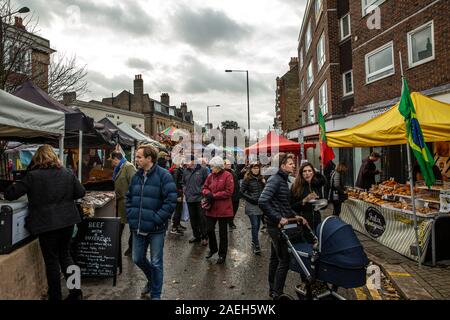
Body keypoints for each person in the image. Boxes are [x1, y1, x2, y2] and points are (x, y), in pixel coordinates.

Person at [4, 145, 85, 300]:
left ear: (37, 159)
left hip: (46, 225)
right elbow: (81, 192)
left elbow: (11, 194)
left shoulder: (33, 176)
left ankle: (55, 297)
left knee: (52, 261)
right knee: (66, 256)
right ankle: (76, 292)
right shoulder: (67, 173)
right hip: (67, 222)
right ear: (54, 156)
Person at [126, 144, 177, 300]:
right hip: (138, 227)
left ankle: (156, 295)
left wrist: (156, 219)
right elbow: (129, 197)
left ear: (149, 158)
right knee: (137, 258)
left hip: (156, 228)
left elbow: (171, 201)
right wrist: (131, 214)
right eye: (136, 157)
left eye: (139, 157)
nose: (136, 159)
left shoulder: (164, 175)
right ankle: (151, 279)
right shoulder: (137, 176)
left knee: (156, 262)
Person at [258, 153, 305, 299]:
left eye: (293, 163)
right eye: (290, 163)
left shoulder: (282, 180)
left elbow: (283, 204)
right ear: (283, 166)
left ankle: (273, 290)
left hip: (277, 224)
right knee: (284, 260)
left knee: (275, 258)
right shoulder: (276, 180)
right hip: (276, 226)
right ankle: (277, 293)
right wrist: (279, 218)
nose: (293, 165)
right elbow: (262, 201)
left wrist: (294, 215)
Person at [202, 156, 234, 264]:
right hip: (211, 208)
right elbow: (204, 188)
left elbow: (229, 191)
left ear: (218, 167)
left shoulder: (228, 175)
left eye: (212, 167)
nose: (211, 169)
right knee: (209, 229)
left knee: (223, 233)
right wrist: (207, 193)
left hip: (223, 209)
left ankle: (222, 254)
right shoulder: (210, 176)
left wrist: (214, 195)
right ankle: (213, 248)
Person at [111, 151, 137, 256]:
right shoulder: (119, 167)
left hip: (128, 202)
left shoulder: (128, 166)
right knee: (120, 225)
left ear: (115, 159)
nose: (112, 163)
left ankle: (132, 248)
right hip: (120, 202)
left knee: (132, 226)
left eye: (112, 160)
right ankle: (115, 249)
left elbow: (135, 184)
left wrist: (129, 198)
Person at [290, 162, 327, 232]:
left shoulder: (316, 186)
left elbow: (322, 206)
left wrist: (323, 203)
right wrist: (304, 200)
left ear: (313, 173)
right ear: (301, 174)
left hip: (316, 221)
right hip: (303, 222)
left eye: (310, 171)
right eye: (304, 171)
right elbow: (291, 206)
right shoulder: (296, 187)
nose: (307, 173)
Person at [183, 155, 210, 246]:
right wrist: (185, 190)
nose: (186, 164)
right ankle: (196, 236)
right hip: (189, 198)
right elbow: (183, 183)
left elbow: (208, 182)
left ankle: (204, 237)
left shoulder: (203, 170)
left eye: (188, 161)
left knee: (202, 218)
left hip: (200, 198)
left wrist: (201, 190)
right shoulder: (185, 171)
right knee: (193, 218)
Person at [240, 162, 265, 255]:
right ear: (251, 169)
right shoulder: (247, 179)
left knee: (258, 225)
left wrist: (264, 183)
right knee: (254, 225)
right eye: (254, 168)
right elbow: (241, 192)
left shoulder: (261, 179)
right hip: (251, 205)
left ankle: (254, 240)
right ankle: (256, 244)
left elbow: (266, 191)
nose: (256, 170)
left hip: (260, 205)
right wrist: (251, 198)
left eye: (257, 168)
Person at [169, 156, 187, 235]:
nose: (183, 162)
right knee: (177, 210)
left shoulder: (179, 169)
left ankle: (177, 224)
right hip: (177, 193)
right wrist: (177, 195)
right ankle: (174, 227)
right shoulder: (176, 170)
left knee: (179, 210)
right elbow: (175, 184)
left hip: (179, 192)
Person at [224, 159, 240, 230]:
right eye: (227, 164)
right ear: (224, 165)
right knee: (230, 210)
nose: (229, 165)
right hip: (229, 195)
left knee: (235, 209)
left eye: (230, 164)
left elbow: (237, 178)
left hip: (236, 194)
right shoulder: (223, 173)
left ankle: (230, 221)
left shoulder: (233, 171)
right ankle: (230, 222)